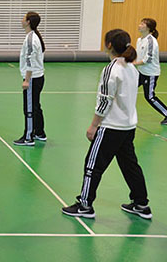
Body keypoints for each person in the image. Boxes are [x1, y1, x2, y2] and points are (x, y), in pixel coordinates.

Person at [62, 29, 152, 220]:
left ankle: (85, 205)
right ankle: (141, 204)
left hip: (111, 127)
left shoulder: (111, 69)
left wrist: (94, 125)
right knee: (130, 166)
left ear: (109, 45)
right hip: (128, 127)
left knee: (92, 166)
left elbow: (105, 101)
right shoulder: (131, 68)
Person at [13, 12, 46, 146]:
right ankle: (40, 133)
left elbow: (30, 61)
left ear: (28, 22)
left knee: (30, 108)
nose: (21, 20)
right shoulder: (33, 36)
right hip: (38, 77)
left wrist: (26, 80)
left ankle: (28, 137)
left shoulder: (31, 39)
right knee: (36, 106)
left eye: (23, 18)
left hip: (33, 78)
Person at [133, 18, 167, 125]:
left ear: (149, 28)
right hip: (141, 72)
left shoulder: (151, 41)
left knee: (150, 97)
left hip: (150, 74)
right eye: (140, 23)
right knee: (129, 87)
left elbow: (148, 59)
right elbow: (138, 55)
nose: (140, 25)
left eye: (143, 24)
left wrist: (133, 64)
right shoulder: (139, 40)